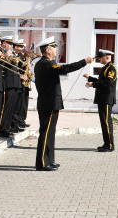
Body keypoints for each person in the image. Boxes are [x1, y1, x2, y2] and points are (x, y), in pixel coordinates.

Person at [33, 37, 93, 170]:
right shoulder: (46, 63)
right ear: (47, 50)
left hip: (51, 102)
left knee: (50, 133)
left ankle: (49, 160)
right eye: (54, 47)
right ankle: (42, 163)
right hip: (48, 103)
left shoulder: (46, 63)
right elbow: (66, 68)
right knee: (45, 133)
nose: (56, 49)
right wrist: (84, 61)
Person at [85, 49, 117, 152]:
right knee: (104, 122)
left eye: (101, 57)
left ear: (107, 57)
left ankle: (110, 145)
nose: (99, 59)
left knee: (107, 122)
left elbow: (108, 83)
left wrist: (93, 84)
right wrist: (89, 78)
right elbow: (101, 81)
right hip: (102, 99)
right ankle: (106, 143)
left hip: (106, 99)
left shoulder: (111, 68)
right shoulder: (105, 68)